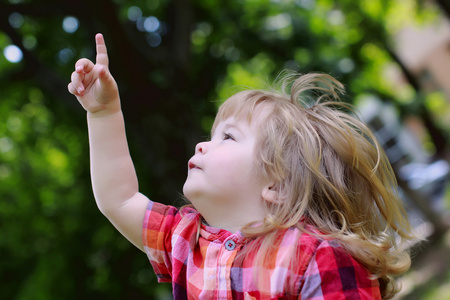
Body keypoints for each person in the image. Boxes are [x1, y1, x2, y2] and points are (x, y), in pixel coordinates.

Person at [68, 34, 416, 299]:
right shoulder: (186, 241)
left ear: (277, 185)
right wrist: (103, 113)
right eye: (212, 134)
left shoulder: (315, 257)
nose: (202, 144)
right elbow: (119, 199)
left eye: (228, 137)